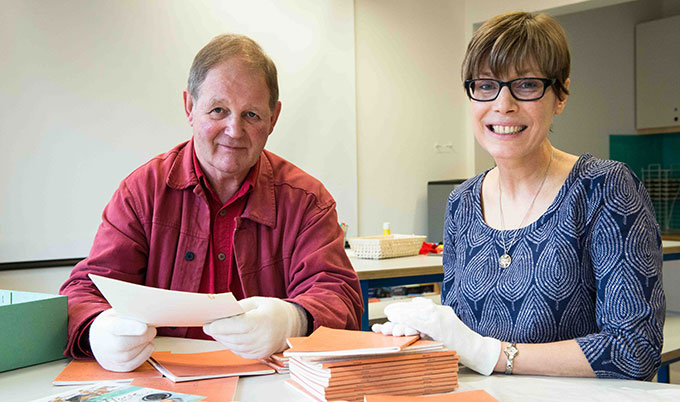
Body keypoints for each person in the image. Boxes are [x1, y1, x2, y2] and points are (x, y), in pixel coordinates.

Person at [374, 11, 664, 380]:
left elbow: (633, 349)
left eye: (526, 85)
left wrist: (488, 352)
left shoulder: (604, 189)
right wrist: (430, 335)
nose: (503, 104)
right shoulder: (462, 203)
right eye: (485, 85)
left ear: (560, 95)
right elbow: (459, 336)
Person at [60, 34, 363, 372]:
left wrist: (292, 320)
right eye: (218, 110)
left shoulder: (307, 201)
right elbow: (85, 288)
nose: (234, 130)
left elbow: (340, 296)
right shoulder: (143, 191)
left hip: (272, 386)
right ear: (190, 107)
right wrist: (98, 329)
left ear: (274, 118)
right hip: (159, 381)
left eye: (251, 115)